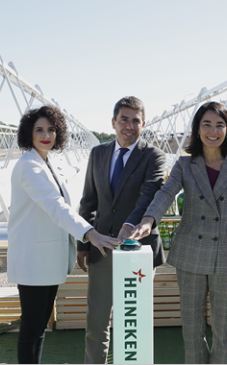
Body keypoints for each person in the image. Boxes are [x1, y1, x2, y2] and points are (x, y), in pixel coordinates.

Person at [128, 101, 227, 364]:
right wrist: (149, 219)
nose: (213, 130)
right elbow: (165, 193)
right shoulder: (184, 165)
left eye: (220, 125)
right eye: (206, 124)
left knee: (223, 335)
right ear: (197, 129)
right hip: (191, 255)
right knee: (192, 331)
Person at [7, 106, 121, 364]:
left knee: (38, 327)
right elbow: (55, 206)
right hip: (34, 261)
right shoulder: (29, 167)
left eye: (51, 129)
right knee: (32, 327)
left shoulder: (45, 162)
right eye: (39, 130)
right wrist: (89, 232)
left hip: (45, 261)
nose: (46, 135)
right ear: (29, 133)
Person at [77, 96, 167, 363]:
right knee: (97, 321)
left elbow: (150, 194)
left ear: (143, 123)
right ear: (113, 122)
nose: (129, 125)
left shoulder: (153, 156)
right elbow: (88, 200)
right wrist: (83, 244)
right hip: (102, 247)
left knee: (134, 323)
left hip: (138, 250)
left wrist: (130, 225)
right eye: (124, 119)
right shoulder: (98, 154)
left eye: (135, 120)